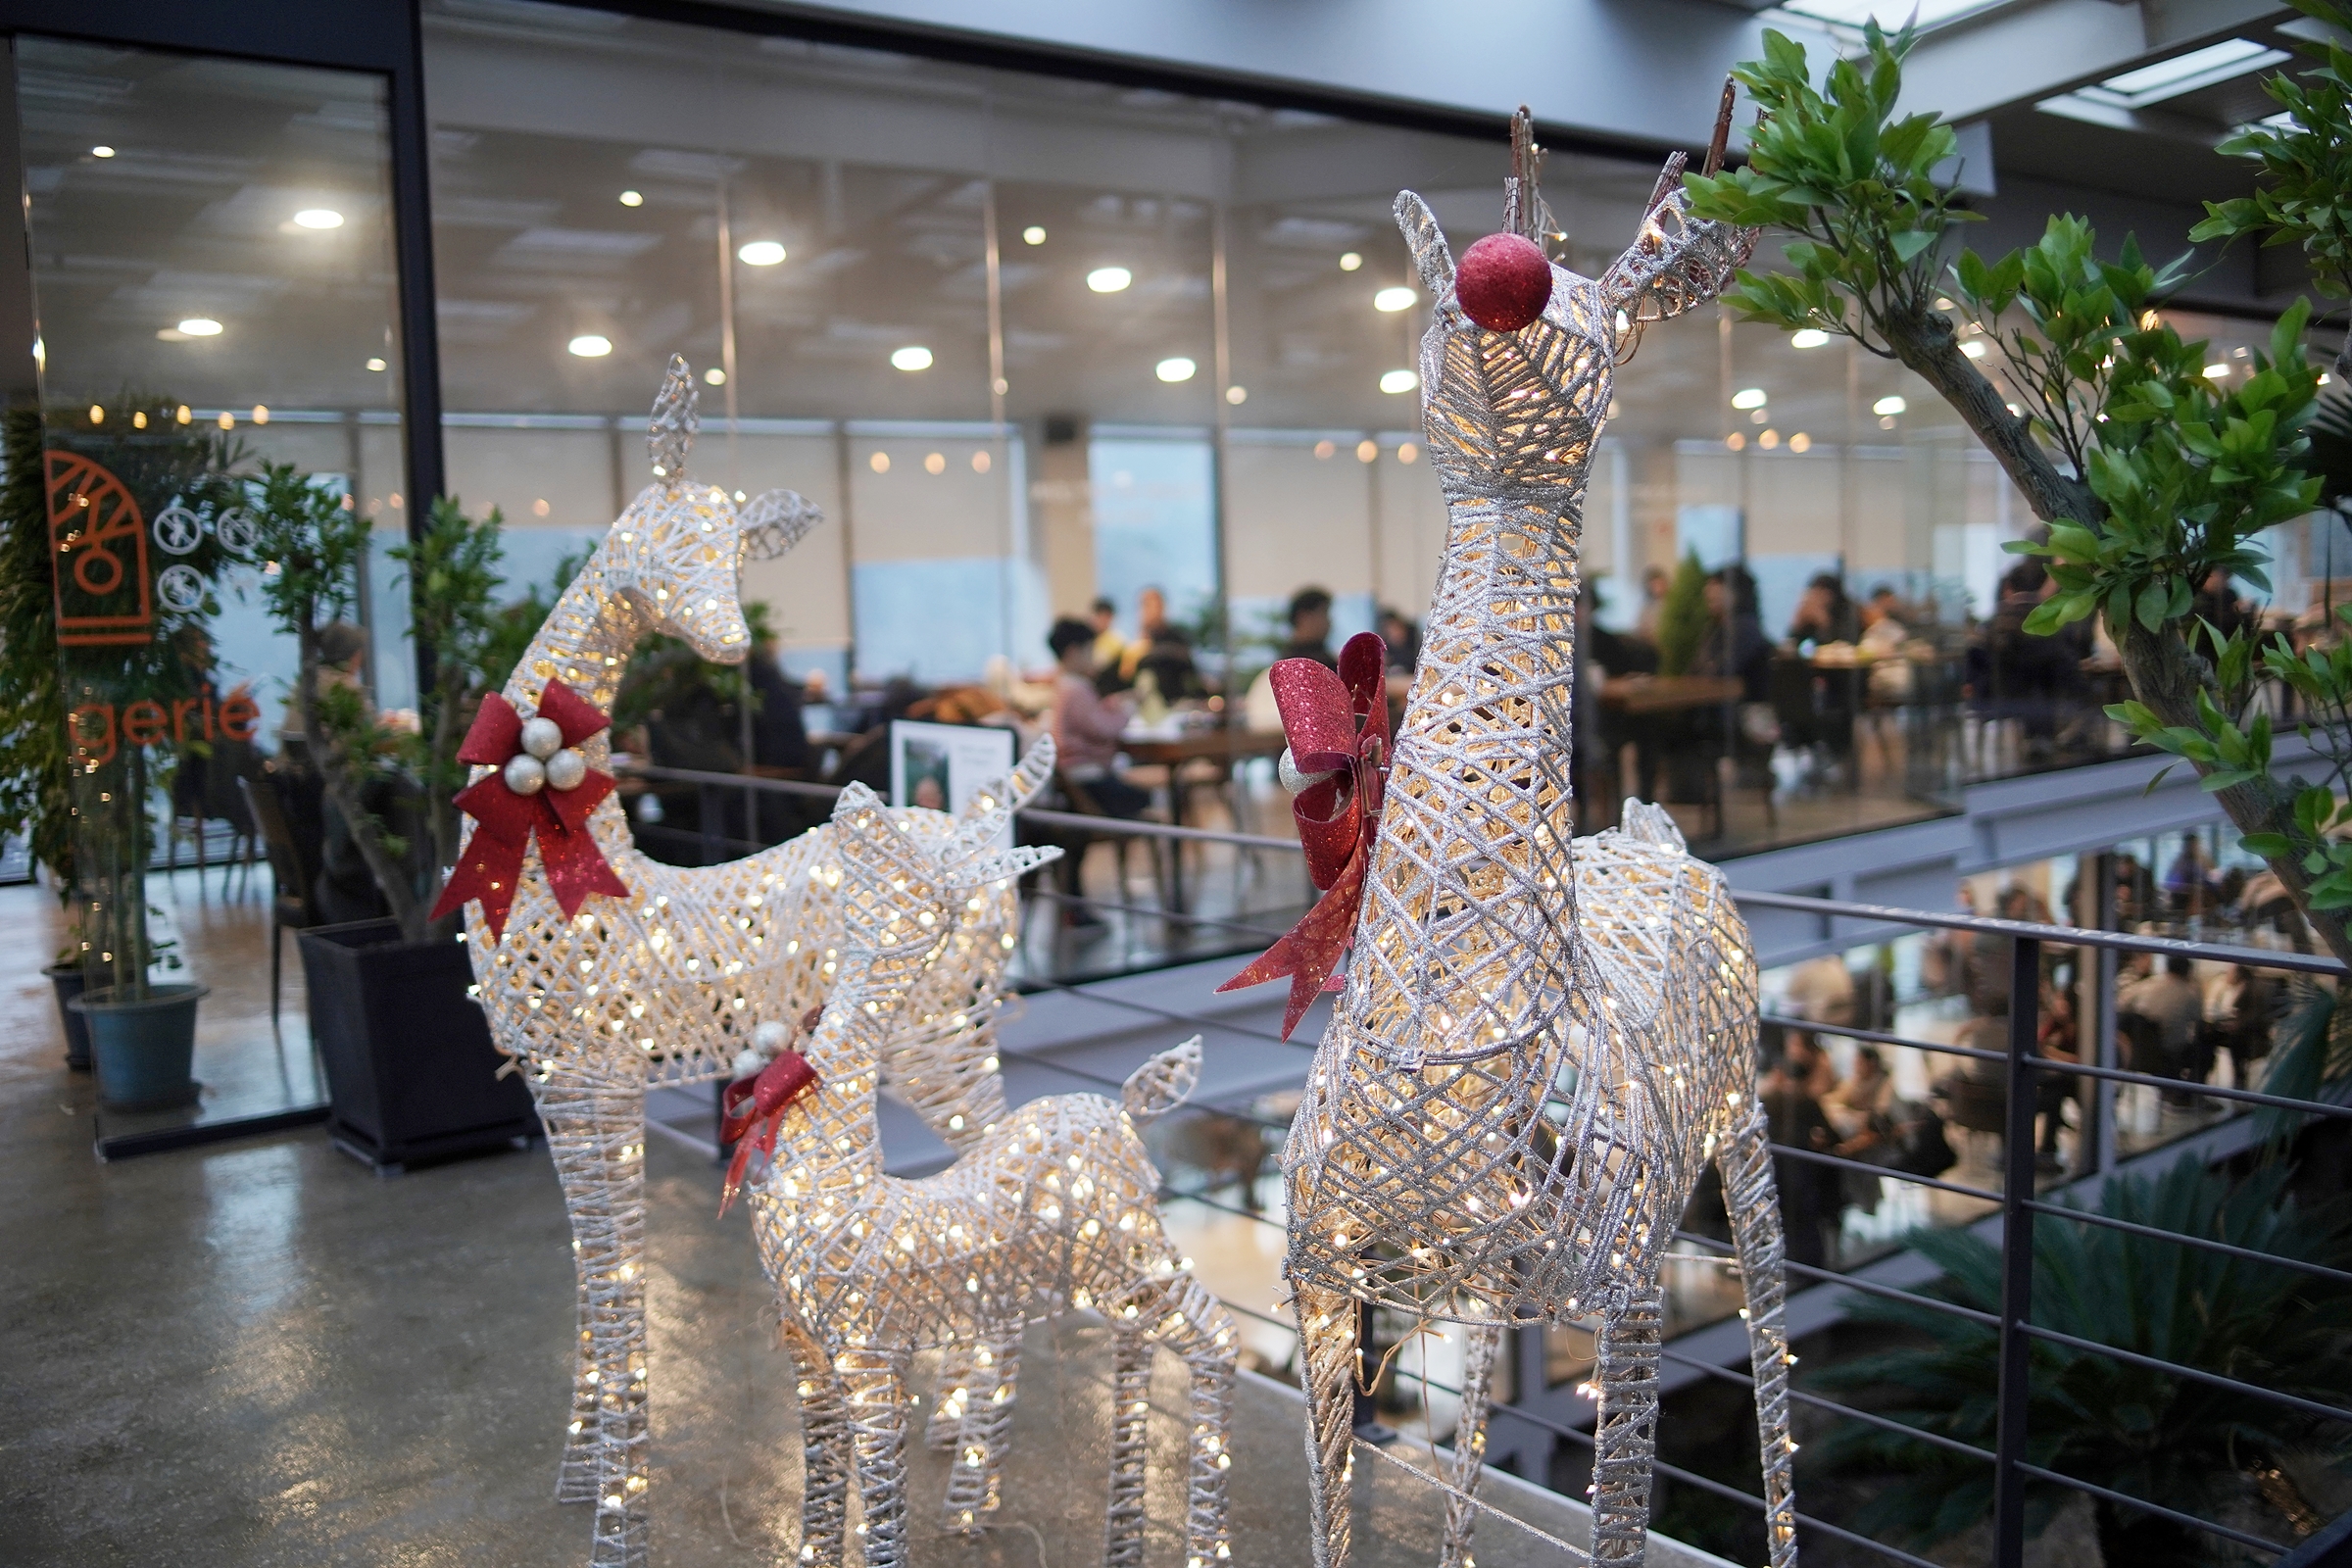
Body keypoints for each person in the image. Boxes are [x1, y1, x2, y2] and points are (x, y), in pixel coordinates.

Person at [1757, 1026, 1842, 1270]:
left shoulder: (1768, 1102)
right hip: (1802, 1182)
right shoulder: (1802, 1102)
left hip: (1778, 1182)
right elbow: (1832, 1138)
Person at [1046, 617, 1149, 819]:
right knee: (1147, 798)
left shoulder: (1064, 685)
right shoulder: (1075, 688)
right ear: (1073, 652)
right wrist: (1128, 708)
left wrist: (1113, 703)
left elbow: (1090, 716)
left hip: (1075, 775)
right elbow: (1101, 728)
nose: (1093, 657)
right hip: (1087, 775)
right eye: (1090, 650)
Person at [1787, 573, 1859, 646]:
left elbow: (1847, 643)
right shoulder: (1808, 611)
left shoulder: (1847, 611)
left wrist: (1823, 624)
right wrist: (1798, 624)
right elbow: (1792, 645)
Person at [1280, 587, 1339, 667]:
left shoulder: (1326, 658)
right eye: (1323, 613)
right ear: (1303, 617)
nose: (1328, 622)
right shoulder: (1292, 664)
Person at [1088, 595, 1126, 672]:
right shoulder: (1087, 638)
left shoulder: (1116, 642)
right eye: (1099, 616)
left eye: (1106, 617)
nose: (1102, 620)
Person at [1635, 564, 1671, 644]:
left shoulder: (1672, 604)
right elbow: (1640, 628)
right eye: (1654, 584)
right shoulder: (1647, 608)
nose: (1658, 587)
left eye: (1660, 583)